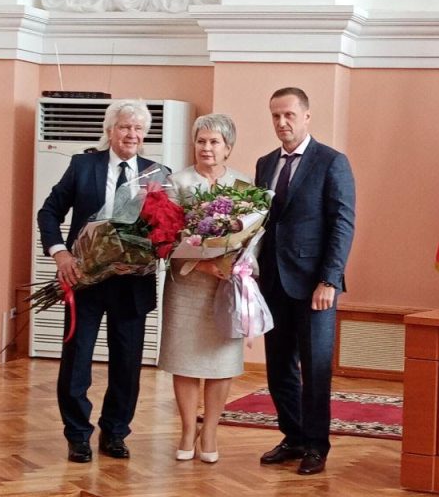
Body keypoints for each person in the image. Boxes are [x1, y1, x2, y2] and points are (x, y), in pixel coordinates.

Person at [37, 99, 166, 463]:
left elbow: (163, 229)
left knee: (127, 363)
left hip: (132, 284)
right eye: (125, 127)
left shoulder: (158, 174)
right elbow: (49, 212)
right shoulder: (83, 166)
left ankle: (115, 432)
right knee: (77, 360)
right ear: (110, 130)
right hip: (85, 279)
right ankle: (78, 435)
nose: (132, 134)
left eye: (138, 128)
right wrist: (60, 254)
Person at [255, 87, 355, 475]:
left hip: (315, 286)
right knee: (278, 368)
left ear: (306, 117)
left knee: (315, 370)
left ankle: (316, 445)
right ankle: (293, 437)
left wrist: (329, 280)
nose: (282, 123)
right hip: (273, 282)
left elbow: (342, 224)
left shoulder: (331, 162)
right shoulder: (265, 163)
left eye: (289, 115)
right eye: (275, 116)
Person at [158, 113, 249, 464]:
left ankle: (209, 430)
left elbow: (255, 234)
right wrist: (203, 263)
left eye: (214, 142)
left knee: (221, 361)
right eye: (201, 141)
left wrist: (239, 264)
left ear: (228, 147)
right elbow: (166, 237)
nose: (206, 147)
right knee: (184, 359)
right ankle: (186, 429)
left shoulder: (243, 185)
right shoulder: (176, 182)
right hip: (187, 283)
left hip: (227, 285)